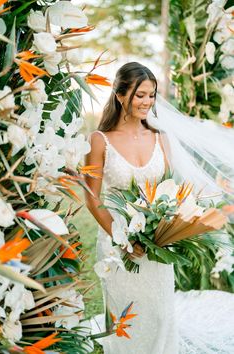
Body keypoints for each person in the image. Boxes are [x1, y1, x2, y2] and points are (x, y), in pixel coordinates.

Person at [84, 62, 234, 354]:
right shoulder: (99, 141)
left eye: (151, 95)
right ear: (120, 94)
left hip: (156, 244)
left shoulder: (160, 137)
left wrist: (175, 225)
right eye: (140, 95)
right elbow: (93, 199)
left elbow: (171, 190)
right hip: (117, 249)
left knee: (161, 316)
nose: (147, 102)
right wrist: (122, 238)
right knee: (128, 321)